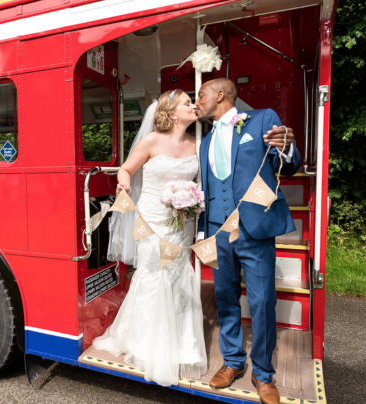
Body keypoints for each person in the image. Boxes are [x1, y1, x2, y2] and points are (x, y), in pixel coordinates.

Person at [195, 78, 300, 404]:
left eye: (201, 95)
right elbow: (208, 190)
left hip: (255, 229)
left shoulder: (263, 120)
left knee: (262, 302)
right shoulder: (205, 141)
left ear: (220, 95)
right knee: (225, 299)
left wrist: (286, 147)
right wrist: (203, 231)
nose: (197, 100)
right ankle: (232, 363)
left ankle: (263, 374)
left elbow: (291, 166)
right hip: (218, 230)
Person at [94, 89, 207, 387]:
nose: (192, 105)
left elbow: (198, 183)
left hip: (183, 223)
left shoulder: (197, 145)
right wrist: (124, 186)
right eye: (186, 102)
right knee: (154, 277)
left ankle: (182, 344)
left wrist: (193, 201)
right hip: (153, 220)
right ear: (171, 113)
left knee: (180, 276)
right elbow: (126, 170)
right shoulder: (151, 141)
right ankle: (146, 344)